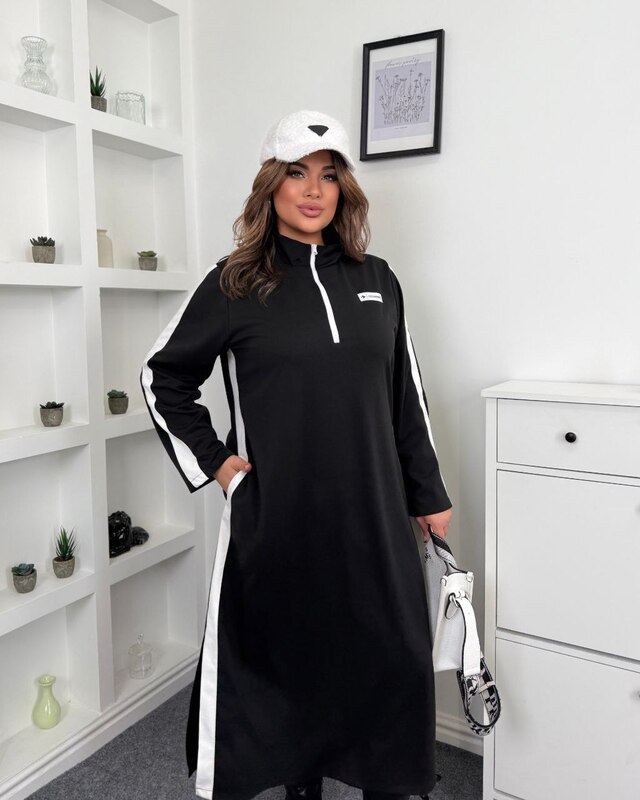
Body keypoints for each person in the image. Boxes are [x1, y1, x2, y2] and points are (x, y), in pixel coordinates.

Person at [140, 109, 452, 800]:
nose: (314, 190)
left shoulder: (379, 280)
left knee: (391, 660)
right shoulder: (234, 283)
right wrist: (218, 463)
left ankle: (387, 785)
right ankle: (299, 786)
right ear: (270, 184)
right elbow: (163, 377)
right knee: (292, 664)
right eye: (297, 173)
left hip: (376, 514)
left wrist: (429, 495)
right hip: (281, 516)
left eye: (329, 176)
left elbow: (407, 396)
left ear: (345, 190)